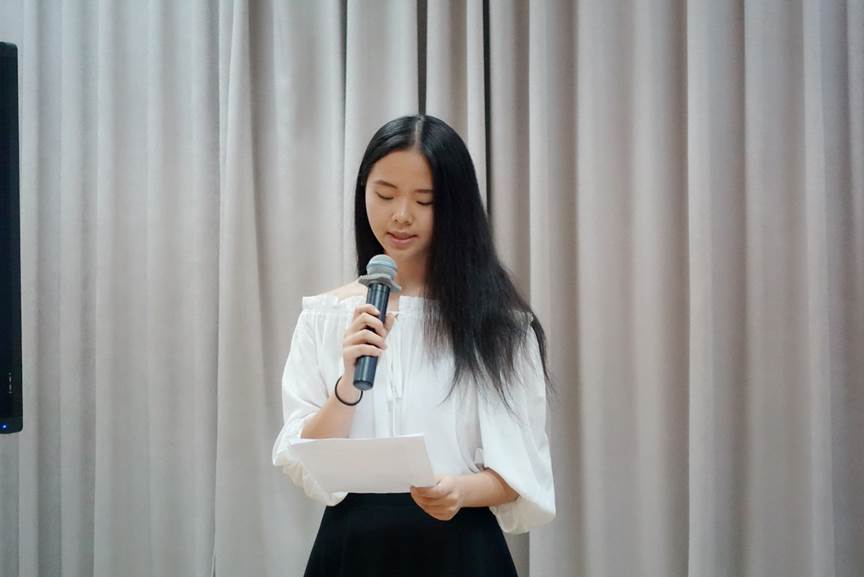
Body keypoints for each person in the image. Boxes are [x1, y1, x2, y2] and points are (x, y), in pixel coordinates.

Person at [272, 114, 555, 577]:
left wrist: (459, 491)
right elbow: (304, 460)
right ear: (363, 191)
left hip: (460, 548)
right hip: (352, 550)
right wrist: (347, 386)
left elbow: (520, 473)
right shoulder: (325, 317)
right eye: (385, 195)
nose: (401, 214)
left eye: (425, 201)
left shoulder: (500, 326)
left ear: (456, 208)